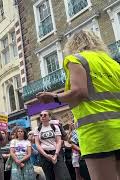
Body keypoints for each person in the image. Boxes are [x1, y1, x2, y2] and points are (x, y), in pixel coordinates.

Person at [36, 30, 120, 180]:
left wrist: (53, 97)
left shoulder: (76, 59)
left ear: (73, 45)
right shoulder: (113, 63)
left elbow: (79, 91)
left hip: (98, 133)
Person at [34, 110, 71, 180]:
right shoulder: (37, 129)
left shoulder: (55, 127)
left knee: (62, 175)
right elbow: (37, 144)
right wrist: (46, 155)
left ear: (49, 117)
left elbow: (58, 141)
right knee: (49, 176)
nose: (42, 116)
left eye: (45, 115)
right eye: (41, 115)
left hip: (56, 152)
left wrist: (56, 155)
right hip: (44, 154)